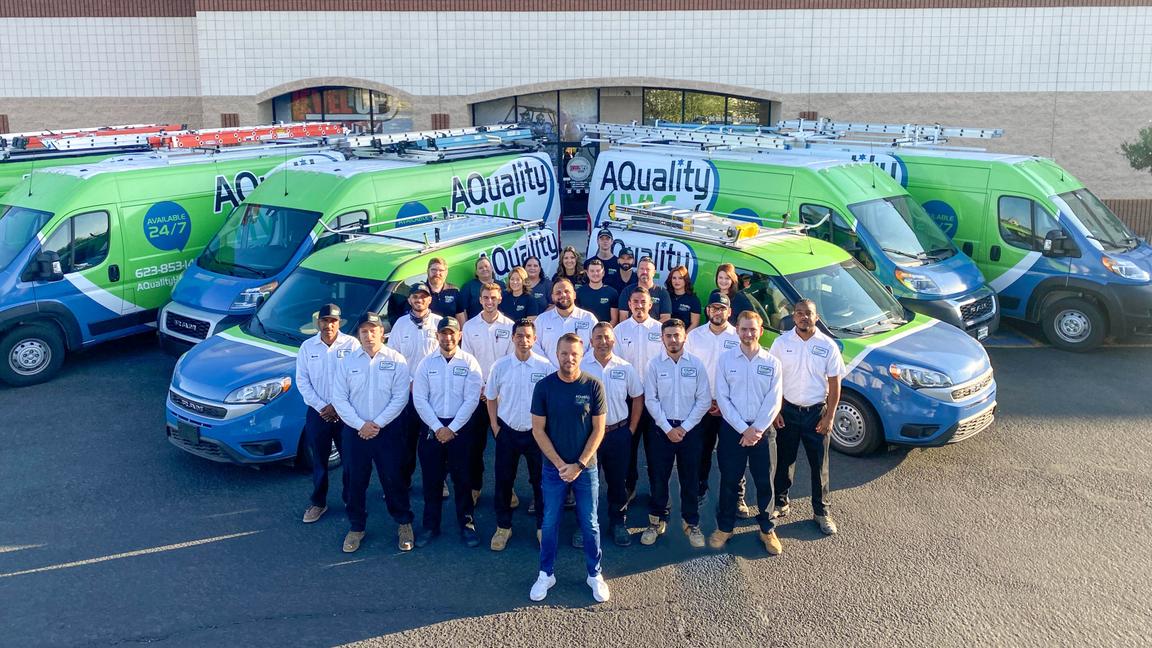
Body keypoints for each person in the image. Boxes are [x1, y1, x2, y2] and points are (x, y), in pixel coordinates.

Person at [529, 333, 609, 603]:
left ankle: (594, 573)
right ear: (557, 354)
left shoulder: (593, 386)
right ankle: (546, 574)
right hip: (554, 469)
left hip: (586, 468)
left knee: (590, 523)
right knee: (550, 522)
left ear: (581, 354)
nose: (569, 358)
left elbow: (598, 430)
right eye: (564, 353)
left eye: (574, 353)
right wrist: (561, 464)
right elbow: (538, 430)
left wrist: (579, 464)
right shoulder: (544, 387)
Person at [330, 312, 413, 553]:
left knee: (393, 479)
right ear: (359, 335)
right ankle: (356, 527)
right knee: (354, 481)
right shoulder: (347, 362)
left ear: (382, 333)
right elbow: (339, 398)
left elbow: (400, 397)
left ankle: (404, 523)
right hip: (356, 433)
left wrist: (376, 424)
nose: (368, 335)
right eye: (364, 331)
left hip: (388, 432)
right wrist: (360, 425)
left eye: (373, 330)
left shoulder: (396, 360)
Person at [709, 311, 784, 555]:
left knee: (765, 481)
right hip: (733, 431)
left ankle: (767, 529)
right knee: (729, 480)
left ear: (760, 331)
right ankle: (725, 527)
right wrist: (744, 429)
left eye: (753, 329)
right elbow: (723, 398)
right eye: (744, 329)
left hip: (763, 431)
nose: (748, 333)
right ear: (737, 330)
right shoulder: (725, 360)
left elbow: (774, 400)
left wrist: (757, 429)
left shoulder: (772, 363)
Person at [769, 299, 845, 536]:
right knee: (784, 460)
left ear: (816, 317)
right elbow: (773, 380)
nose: (804, 317)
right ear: (793, 317)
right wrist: (776, 411)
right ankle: (781, 502)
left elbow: (835, 384)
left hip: (816, 413)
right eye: (799, 313)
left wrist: (829, 417)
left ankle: (821, 512)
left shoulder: (828, 346)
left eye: (808, 313)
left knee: (819, 465)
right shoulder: (781, 343)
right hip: (788, 412)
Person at [412, 317, 484, 547]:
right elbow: (419, 399)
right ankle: (430, 525)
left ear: (459, 335)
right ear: (437, 336)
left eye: (452, 333)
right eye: (443, 333)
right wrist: (437, 428)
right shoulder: (426, 364)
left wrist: (451, 429)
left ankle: (467, 524)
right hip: (433, 428)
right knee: (431, 480)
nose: (448, 337)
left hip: (460, 428)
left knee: (463, 480)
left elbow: (472, 399)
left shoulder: (470, 363)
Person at [641, 318, 711, 548]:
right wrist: (668, 428)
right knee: (658, 477)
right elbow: (651, 400)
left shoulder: (697, 365)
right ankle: (656, 521)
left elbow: (703, 400)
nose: (673, 340)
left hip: (690, 430)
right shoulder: (653, 365)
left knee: (690, 478)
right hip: (662, 430)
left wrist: (684, 427)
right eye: (668, 336)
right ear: (662, 339)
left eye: (677, 335)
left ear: (684, 337)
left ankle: (691, 523)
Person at [485, 318, 554, 551]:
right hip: (508, 432)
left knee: (541, 482)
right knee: (504, 481)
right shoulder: (500, 366)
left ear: (535, 339)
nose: (523, 340)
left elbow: (552, 402)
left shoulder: (545, 367)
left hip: (537, 434)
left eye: (528, 336)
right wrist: (495, 426)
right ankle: (503, 527)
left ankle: (543, 527)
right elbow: (491, 397)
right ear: (512, 338)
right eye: (519, 336)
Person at [685, 294, 750, 517]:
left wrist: (723, 403)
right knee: (700, 452)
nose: (718, 312)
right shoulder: (695, 337)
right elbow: (690, 371)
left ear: (729, 312)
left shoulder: (738, 336)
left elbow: (743, 374)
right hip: (702, 405)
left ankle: (737, 497)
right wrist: (704, 401)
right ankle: (700, 490)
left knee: (732, 454)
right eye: (714, 308)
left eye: (722, 308)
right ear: (708, 310)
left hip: (731, 407)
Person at [580, 322, 644, 547]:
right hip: (588, 436)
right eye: (598, 337)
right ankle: (585, 525)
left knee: (618, 481)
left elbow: (637, 397)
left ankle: (618, 522)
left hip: (617, 433)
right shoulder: (581, 366)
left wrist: (631, 429)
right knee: (587, 482)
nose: (603, 341)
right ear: (591, 341)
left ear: (614, 340)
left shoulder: (625, 368)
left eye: (607, 337)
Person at [296, 304, 358, 524]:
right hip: (318, 413)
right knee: (319, 461)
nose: (328, 325)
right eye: (325, 321)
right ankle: (318, 503)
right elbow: (302, 381)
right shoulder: (307, 347)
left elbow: (357, 378)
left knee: (350, 460)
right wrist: (322, 407)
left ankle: (351, 500)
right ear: (318, 323)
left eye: (333, 321)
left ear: (339, 323)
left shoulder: (352, 344)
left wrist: (338, 406)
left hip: (346, 413)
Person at [461, 282, 515, 507]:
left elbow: (510, 362)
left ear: (500, 299)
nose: (489, 301)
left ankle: (508, 490)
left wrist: (494, 389)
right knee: (475, 447)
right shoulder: (470, 326)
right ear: (480, 300)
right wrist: (482, 388)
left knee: (506, 447)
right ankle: (475, 487)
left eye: (493, 297)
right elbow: (467, 361)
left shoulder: (510, 326)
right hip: (478, 395)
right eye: (485, 298)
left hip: (502, 396)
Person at [386, 283, 439, 494]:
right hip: (406, 394)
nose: (419, 300)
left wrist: (426, 384)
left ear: (429, 300)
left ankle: (438, 482)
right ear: (409, 300)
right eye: (415, 296)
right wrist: (409, 382)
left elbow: (444, 357)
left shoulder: (439, 323)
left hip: (432, 394)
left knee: (433, 443)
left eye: (423, 296)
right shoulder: (400, 324)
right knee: (405, 443)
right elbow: (393, 357)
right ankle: (403, 481)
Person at [612, 286, 664, 501]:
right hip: (629, 399)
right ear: (629, 304)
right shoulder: (619, 331)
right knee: (629, 446)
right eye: (635, 301)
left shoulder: (661, 330)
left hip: (655, 399)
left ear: (650, 305)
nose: (639, 305)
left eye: (643, 302)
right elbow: (615, 363)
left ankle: (657, 490)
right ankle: (629, 487)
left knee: (656, 449)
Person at [533, 278, 597, 368]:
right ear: (552, 297)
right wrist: (550, 369)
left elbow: (595, 345)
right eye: (558, 293)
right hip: (549, 373)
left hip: (581, 372)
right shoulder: (541, 320)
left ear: (574, 295)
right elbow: (534, 346)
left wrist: (579, 367)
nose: (563, 295)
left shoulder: (589, 318)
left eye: (567, 291)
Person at [615, 256, 670, 324]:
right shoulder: (627, 291)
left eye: (648, 269)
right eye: (641, 269)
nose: (644, 272)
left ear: (654, 272)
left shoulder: (662, 292)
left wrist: (647, 329)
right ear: (637, 271)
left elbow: (665, 318)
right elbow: (623, 317)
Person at [460, 255, 505, 320]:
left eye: (486, 266)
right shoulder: (468, 287)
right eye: (480, 268)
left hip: (499, 323)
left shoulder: (502, 285)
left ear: (492, 268)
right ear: (476, 272)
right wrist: (466, 324)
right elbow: (462, 309)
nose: (484, 269)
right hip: (475, 324)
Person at [576, 258, 619, 324]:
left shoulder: (612, 293)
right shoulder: (579, 292)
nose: (595, 273)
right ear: (587, 273)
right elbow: (576, 316)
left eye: (598, 271)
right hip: (585, 329)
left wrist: (604, 330)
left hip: (605, 330)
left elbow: (614, 320)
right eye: (592, 271)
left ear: (603, 273)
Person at [426, 257, 465, 326]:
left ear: (446, 273)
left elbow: (460, 316)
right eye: (434, 270)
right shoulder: (420, 292)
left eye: (441, 270)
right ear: (428, 271)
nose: (437, 273)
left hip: (449, 332)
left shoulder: (454, 291)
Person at [665, 265, 701, 330]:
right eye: (674, 278)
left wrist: (684, 335)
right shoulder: (665, 296)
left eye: (680, 278)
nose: (677, 281)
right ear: (670, 279)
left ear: (686, 280)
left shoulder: (693, 300)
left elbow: (695, 323)